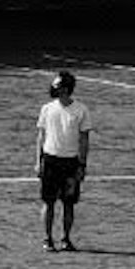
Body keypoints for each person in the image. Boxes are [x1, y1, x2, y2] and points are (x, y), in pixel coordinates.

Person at [35, 71, 94, 251]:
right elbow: (41, 136)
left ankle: (66, 238)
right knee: (49, 202)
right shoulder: (47, 109)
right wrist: (38, 161)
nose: (53, 88)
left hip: (70, 162)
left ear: (66, 89)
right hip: (50, 160)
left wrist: (82, 165)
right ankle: (47, 238)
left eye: (57, 86)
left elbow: (84, 139)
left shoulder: (81, 110)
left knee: (69, 203)